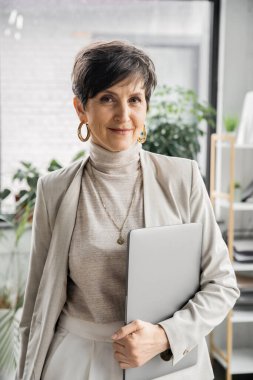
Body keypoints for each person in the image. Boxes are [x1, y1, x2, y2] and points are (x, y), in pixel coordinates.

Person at [16, 40, 239, 380]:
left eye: (134, 99)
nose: (124, 115)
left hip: (165, 364)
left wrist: (166, 335)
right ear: (81, 109)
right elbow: (35, 306)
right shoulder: (54, 189)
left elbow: (222, 284)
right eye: (107, 98)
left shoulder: (183, 178)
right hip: (75, 364)